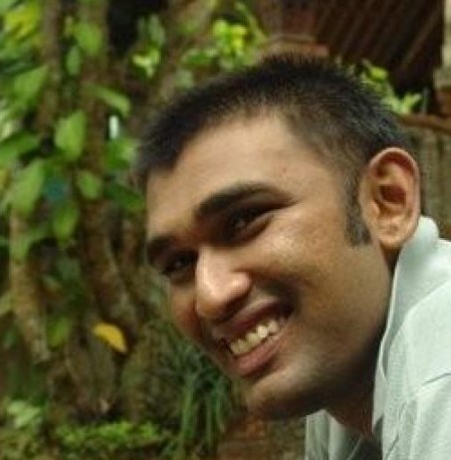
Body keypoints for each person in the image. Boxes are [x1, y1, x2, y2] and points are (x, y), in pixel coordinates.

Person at [136, 55, 451, 459]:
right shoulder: (344, 397)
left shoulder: (439, 368)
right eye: (179, 264)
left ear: (388, 201)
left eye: (244, 221)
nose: (210, 297)